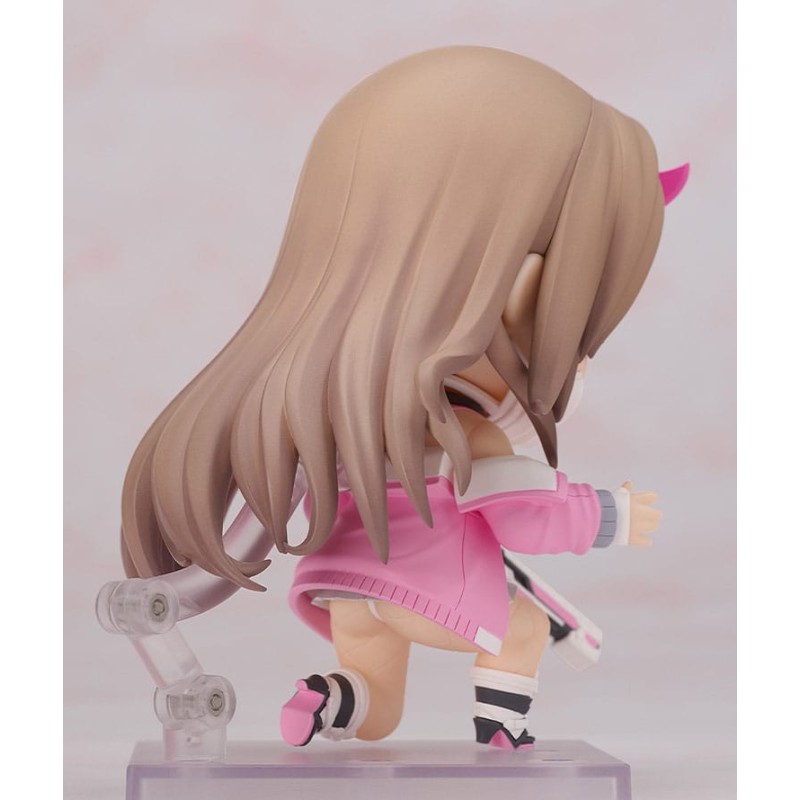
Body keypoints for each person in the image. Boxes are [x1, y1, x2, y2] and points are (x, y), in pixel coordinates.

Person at [119, 46, 678, 750]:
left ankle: (331, 698)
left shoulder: (342, 416)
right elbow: (520, 511)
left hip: (343, 583)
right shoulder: (467, 430)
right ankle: (502, 729)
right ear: (522, 290)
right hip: (428, 586)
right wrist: (608, 514)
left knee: (378, 705)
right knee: (526, 627)